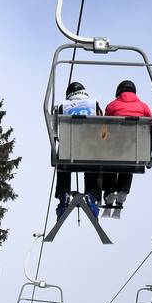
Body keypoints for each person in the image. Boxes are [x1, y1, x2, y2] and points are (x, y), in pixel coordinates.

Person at [102, 80, 152, 214]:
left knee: (110, 162)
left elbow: (104, 125)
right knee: (130, 161)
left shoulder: (112, 106)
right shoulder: (143, 107)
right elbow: (151, 125)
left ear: (119, 92)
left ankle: (109, 190)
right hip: (134, 146)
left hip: (114, 145)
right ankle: (122, 190)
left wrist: (103, 140)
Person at [55, 81, 103, 217]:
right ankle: (91, 195)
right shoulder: (94, 105)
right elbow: (102, 123)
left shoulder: (63, 107)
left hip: (69, 150)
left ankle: (63, 194)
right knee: (92, 168)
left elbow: (56, 128)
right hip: (90, 149)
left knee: (63, 166)